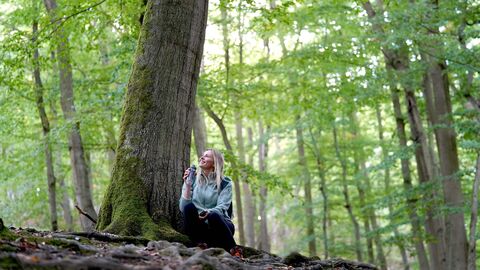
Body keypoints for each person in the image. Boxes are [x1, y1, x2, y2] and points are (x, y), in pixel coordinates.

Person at [179, 149, 242, 258]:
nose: (202, 157)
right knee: (189, 207)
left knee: (214, 215)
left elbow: (222, 207)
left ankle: (234, 250)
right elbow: (183, 208)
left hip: (220, 227)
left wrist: (207, 212)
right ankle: (200, 245)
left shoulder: (225, 183)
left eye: (206, 156)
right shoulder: (192, 179)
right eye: (202, 155)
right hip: (200, 228)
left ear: (215, 163)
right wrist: (188, 185)